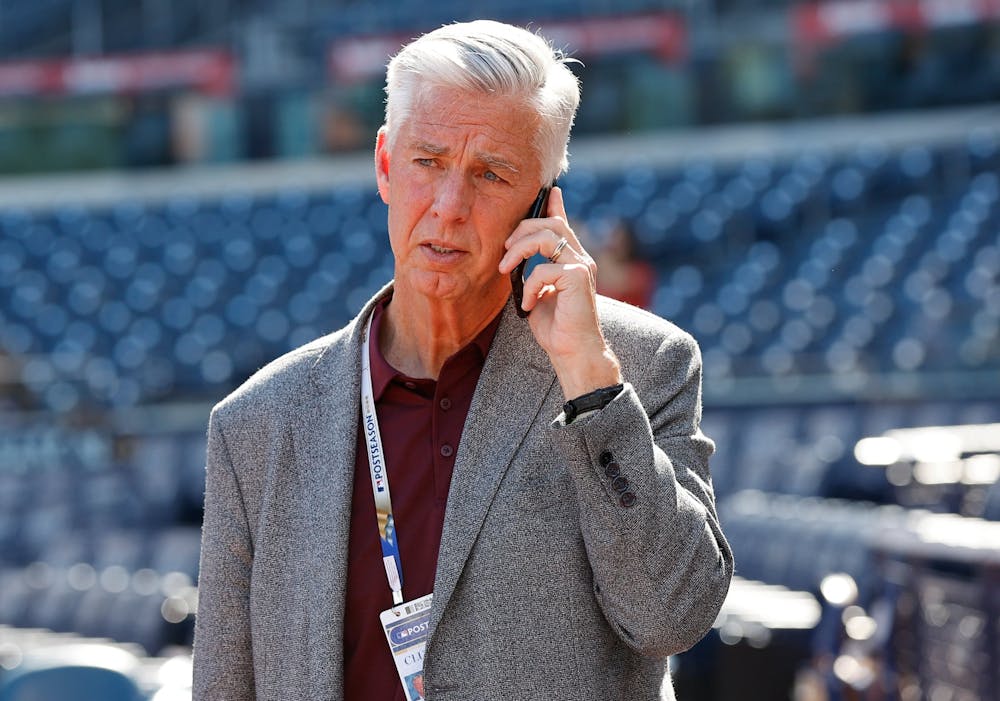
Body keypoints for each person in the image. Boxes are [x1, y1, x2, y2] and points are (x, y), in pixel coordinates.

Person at [193, 20, 733, 701]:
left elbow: (672, 616)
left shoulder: (637, 366)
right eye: (429, 162)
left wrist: (590, 382)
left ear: (543, 203)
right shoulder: (256, 424)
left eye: (490, 174)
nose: (449, 208)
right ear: (386, 165)